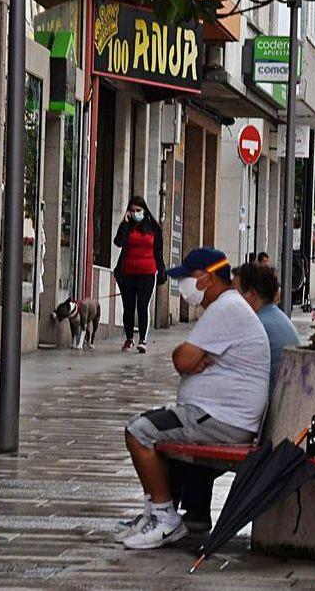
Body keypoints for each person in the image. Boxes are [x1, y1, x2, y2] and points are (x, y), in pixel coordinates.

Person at [115, 248, 270, 550]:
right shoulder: (225, 307)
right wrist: (188, 359)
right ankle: (153, 513)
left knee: (138, 432)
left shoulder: (225, 308)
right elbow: (183, 358)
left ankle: (165, 519)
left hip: (220, 420)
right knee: (152, 430)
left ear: (207, 279)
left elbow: (183, 360)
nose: (182, 285)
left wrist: (190, 360)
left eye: (187, 277)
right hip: (213, 415)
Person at [234, 262, 302, 388]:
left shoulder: (256, 325)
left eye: (235, 293)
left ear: (252, 295)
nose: (230, 299)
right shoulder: (275, 317)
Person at [113, 196, 166, 353]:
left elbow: (159, 251)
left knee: (143, 305)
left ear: (144, 211)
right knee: (128, 307)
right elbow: (118, 242)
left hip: (147, 273)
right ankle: (129, 338)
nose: (135, 213)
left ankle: (143, 339)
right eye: (132, 211)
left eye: (138, 210)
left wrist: (162, 271)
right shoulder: (128, 226)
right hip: (127, 273)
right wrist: (124, 222)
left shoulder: (153, 228)